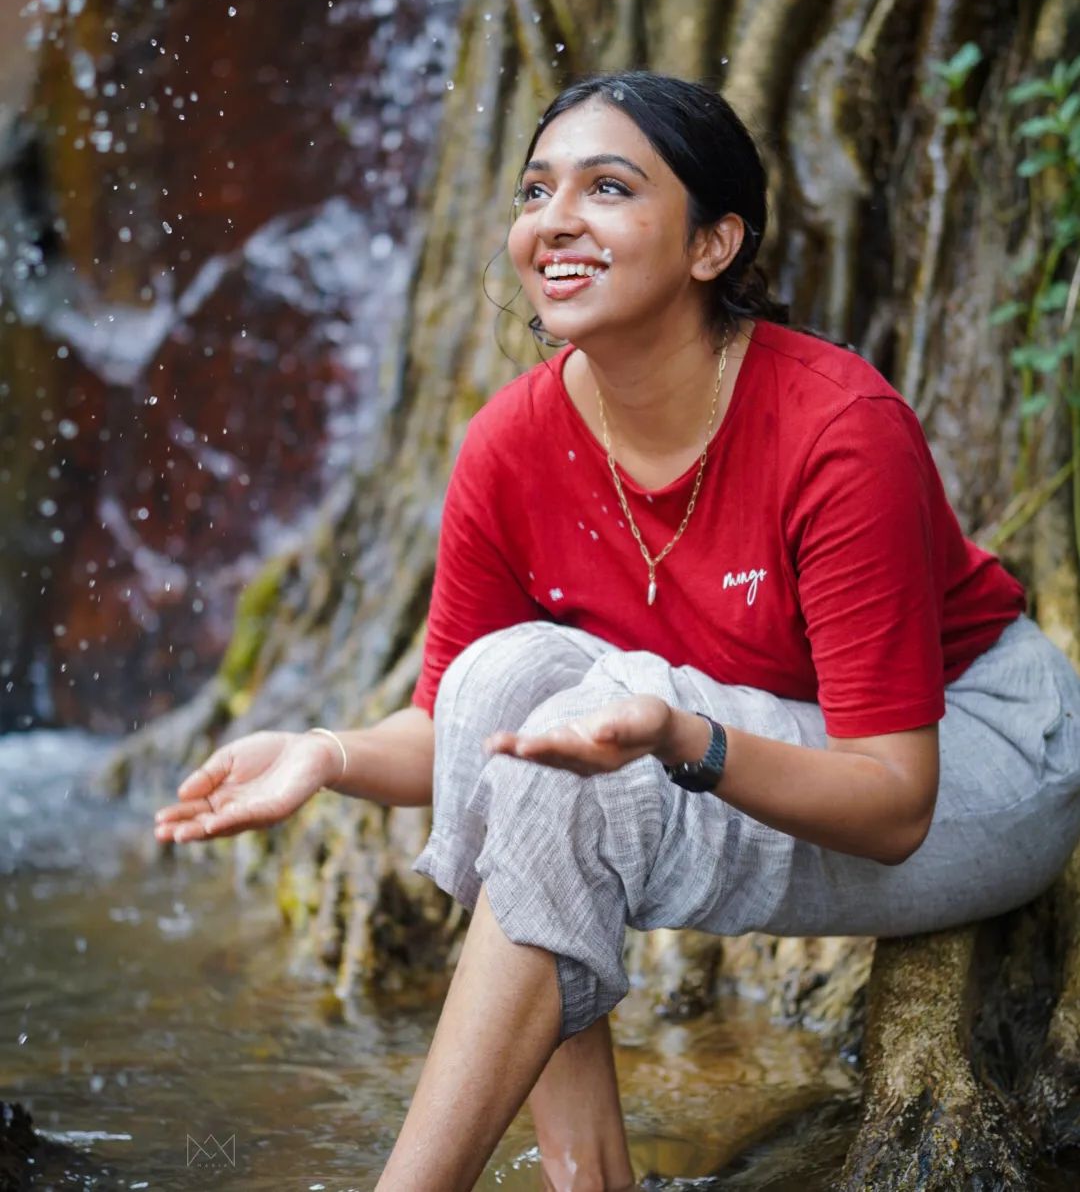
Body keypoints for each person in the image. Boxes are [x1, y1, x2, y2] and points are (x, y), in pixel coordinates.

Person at [154, 70, 1080, 1192]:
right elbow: (457, 737)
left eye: (607, 188)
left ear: (712, 245)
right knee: (505, 683)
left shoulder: (839, 430)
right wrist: (328, 756)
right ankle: (588, 1180)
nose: (555, 221)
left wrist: (680, 741)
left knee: (600, 772)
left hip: (978, 756)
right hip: (751, 736)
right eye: (536, 190)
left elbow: (892, 804)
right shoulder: (510, 442)